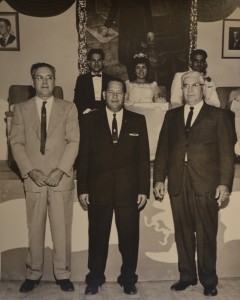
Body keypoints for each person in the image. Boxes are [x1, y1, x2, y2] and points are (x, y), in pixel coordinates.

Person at [153, 71, 234, 297]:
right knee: (183, 232)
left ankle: (209, 279)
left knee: (207, 232)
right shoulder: (172, 116)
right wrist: (159, 178)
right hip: (178, 182)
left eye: (194, 86)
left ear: (203, 88)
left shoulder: (219, 116)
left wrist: (224, 184)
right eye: (185, 86)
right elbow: (163, 150)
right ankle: (187, 276)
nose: (189, 90)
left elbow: (227, 154)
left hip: (207, 183)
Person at [9, 63, 80, 293]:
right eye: (39, 78)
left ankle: (62, 274)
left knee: (62, 229)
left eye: (49, 77)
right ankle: (33, 274)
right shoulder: (20, 109)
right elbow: (16, 143)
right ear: (33, 82)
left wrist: (60, 170)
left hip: (61, 179)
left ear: (55, 80)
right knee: (35, 228)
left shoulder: (69, 108)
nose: (45, 82)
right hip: (34, 179)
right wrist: (30, 171)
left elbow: (74, 141)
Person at [77, 78, 150, 295]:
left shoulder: (138, 120)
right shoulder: (90, 120)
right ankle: (94, 278)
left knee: (129, 238)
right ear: (103, 95)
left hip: (129, 190)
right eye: (111, 92)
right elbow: (84, 158)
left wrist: (143, 190)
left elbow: (143, 159)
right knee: (97, 237)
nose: (115, 96)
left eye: (119, 92)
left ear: (125, 95)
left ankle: (128, 278)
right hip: (98, 189)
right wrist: (82, 188)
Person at [100, 0, 154, 79]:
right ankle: (132, 82)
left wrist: (150, 30)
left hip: (139, 31)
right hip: (125, 31)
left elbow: (147, 11)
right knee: (127, 58)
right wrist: (106, 26)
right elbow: (114, 10)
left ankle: (142, 85)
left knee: (140, 60)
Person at [73, 48, 116, 116]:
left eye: (99, 60)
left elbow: (114, 100)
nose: (96, 63)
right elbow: (77, 101)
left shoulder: (110, 80)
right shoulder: (81, 80)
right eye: (93, 60)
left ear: (103, 62)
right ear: (89, 62)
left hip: (107, 115)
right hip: (87, 115)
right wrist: (89, 112)